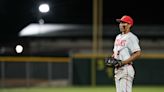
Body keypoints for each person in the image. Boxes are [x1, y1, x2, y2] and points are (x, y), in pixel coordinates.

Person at [112, 15, 141, 92]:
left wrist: (123, 62)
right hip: (117, 70)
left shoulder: (131, 37)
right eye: (120, 22)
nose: (121, 24)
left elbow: (138, 53)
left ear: (129, 25)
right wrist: (113, 58)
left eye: (124, 23)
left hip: (126, 69)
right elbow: (117, 51)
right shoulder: (118, 37)